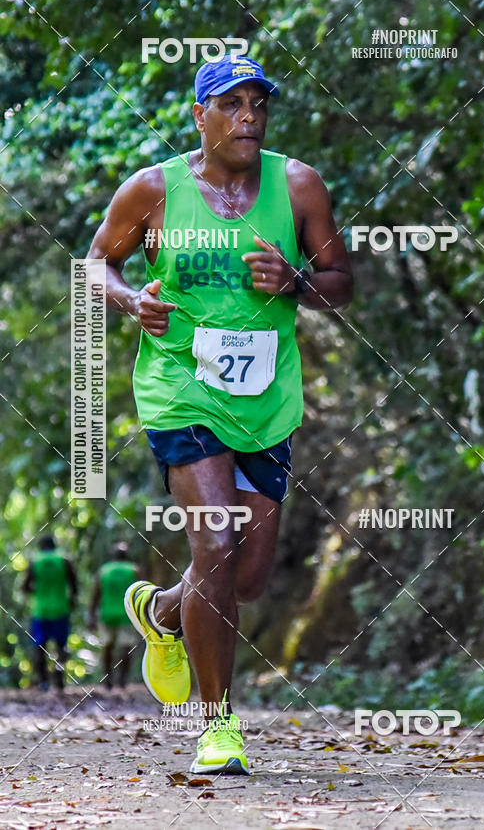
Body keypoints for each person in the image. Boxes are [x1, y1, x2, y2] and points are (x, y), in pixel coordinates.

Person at [86, 54, 353, 774]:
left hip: (266, 400)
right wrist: (129, 299)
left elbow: (341, 282)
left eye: (258, 104)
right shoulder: (154, 191)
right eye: (230, 104)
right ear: (198, 115)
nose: (248, 118)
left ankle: (166, 611)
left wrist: (298, 281)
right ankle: (217, 724)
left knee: (249, 576)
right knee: (218, 545)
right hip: (182, 388)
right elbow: (95, 263)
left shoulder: (298, 186)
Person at [23, 536, 77, 690]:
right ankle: (59, 679)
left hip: (40, 610)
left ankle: (44, 682)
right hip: (61, 609)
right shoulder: (64, 560)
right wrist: (71, 601)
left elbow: (26, 586)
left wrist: (38, 590)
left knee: (39, 646)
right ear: (54, 545)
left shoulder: (35, 561)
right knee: (61, 646)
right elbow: (74, 584)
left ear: (41, 546)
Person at [89, 542, 140, 689]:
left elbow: (95, 595)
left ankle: (108, 680)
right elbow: (142, 592)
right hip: (128, 615)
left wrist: (91, 615)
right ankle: (122, 681)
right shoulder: (134, 570)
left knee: (107, 646)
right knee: (126, 647)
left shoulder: (103, 571)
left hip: (107, 614)